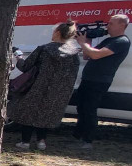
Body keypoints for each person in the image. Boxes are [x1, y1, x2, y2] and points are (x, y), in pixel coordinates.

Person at [8, 21, 82, 150]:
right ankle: (41, 141)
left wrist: (18, 56)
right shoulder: (74, 54)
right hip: (59, 90)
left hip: (37, 87)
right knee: (46, 114)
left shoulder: (44, 49)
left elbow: (25, 67)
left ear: (58, 33)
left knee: (29, 113)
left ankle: (25, 142)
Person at [73, 14, 131, 148]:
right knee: (81, 107)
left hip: (99, 81)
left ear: (121, 25)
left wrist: (82, 43)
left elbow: (96, 54)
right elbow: (88, 55)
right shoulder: (108, 40)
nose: (107, 26)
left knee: (89, 109)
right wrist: (87, 39)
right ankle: (78, 136)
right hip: (89, 79)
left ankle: (88, 141)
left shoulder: (121, 41)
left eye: (111, 23)